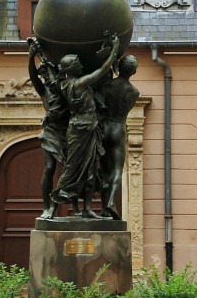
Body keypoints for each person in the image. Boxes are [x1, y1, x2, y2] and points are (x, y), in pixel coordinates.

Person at [50, 33, 119, 218]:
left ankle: (87, 208)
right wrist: (114, 49)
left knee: (91, 168)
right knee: (72, 169)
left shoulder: (63, 83)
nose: (82, 65)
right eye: (79, 63)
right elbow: (103, 70)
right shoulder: (78, 83)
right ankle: (53, 206)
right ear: (73, 68)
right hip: (82, 129)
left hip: (87, 127)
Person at [27, 38, 69, 219]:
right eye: (43, 74)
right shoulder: (44, 91)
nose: (44, 76)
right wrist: (31, 57)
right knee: (49, 168)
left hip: (67, 132)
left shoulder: (64, 88)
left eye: (47, 73)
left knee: (68, 170)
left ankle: (56, 204)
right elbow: (32, 76)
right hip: (51, 131)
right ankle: (47, 206)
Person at [98, 55, 139, 219]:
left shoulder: (107, 86)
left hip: (104, 127)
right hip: (118, 127)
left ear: (119, 67)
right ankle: (111, 202)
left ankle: (103, 208)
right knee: (116, 170)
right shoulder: (134, 92)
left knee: (104, 170)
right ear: (134, 72)